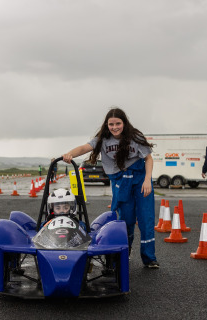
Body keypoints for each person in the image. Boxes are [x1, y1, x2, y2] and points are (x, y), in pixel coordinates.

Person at [62, 108, 159, 268]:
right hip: (121, 182)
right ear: (107, 125)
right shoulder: (103, 139)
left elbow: (148, 158)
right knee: (125, 221)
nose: (115, 127)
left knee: (145, 220)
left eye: (118, 123)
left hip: (141, 181)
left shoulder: (135, 136)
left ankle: (149, 259)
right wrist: (69, 154)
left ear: (124, 123)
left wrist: (148, 180)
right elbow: (84, 148)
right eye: (111, 124)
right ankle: (124, 254)